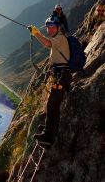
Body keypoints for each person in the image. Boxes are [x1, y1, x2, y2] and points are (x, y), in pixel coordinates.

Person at [28, 17, 72, 146]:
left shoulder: (60, 38)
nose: (50, 29)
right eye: (48, 27)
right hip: (60, 75)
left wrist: (36, 33)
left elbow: (47, 44)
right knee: (52, 105)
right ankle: (48, 129)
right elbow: (49, 43)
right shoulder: (57, 38)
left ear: (58, 28)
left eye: (53, 27)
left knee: (52, 106)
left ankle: (48, 137)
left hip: (61, 76)